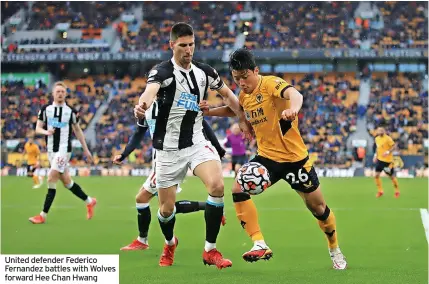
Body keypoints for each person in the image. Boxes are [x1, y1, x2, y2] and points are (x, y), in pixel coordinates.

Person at [200, 48, 347, 270]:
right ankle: (259, 243)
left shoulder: (270, 84)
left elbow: (295, 95)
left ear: (255, 71)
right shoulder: (244, 94)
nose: (241, 82)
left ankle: (334, 248)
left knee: (319, 209)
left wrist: (293, 110)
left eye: (245, 76)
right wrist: (209, 112)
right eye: (236, 78)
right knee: (238, 188)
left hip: (295, 160)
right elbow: (235, 110)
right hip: (267, 158)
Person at [133, 22, 251, 269]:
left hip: (196, 142)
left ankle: (210, 250)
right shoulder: (162, 72)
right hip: (167, 150)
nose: (188, 50)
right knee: (166, 211)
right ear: (172, 45)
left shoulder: (204, 72)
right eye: (183, 45)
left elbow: (230, 96)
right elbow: (149, 92)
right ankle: (170, 242)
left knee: (217, 186)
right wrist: (142, 107)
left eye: (192, 45)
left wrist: (242, 119)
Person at [114, 100, 227, 251]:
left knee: (152, 202)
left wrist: (218, 148)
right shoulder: (146, 107)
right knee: (158, 204)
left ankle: (153, 241)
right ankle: (209, 207)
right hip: (161, 159)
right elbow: (138, 133)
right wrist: (124, 154)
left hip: (173, 159)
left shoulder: (179, 100)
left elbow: (203, 125)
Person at [29, 81, 97, 224]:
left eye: (62, 91)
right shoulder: (45, 109)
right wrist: (46, 131)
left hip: (64, 149)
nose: (60, 94)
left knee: (51, 178)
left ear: (66, 94)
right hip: (51, 150)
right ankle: (90, 201)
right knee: (66, 182)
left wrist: (86, 149)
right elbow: (37, 128)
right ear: (53, 94)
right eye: (57, 91)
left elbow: (78, 130)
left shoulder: (70, 112)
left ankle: (43, 215)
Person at [373, 127, 400, 198]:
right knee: (376, 175)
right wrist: (375, 155)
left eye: (382, 130)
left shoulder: (388, 138)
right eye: (379, 130)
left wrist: (388, 152)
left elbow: (394, 146)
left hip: (388, 162)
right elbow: (377, 148)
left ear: (384, 131)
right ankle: (380, 191)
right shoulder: (376, 139)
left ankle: (397, 191)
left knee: (391, 177)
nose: (380, 131)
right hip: (380, 160)